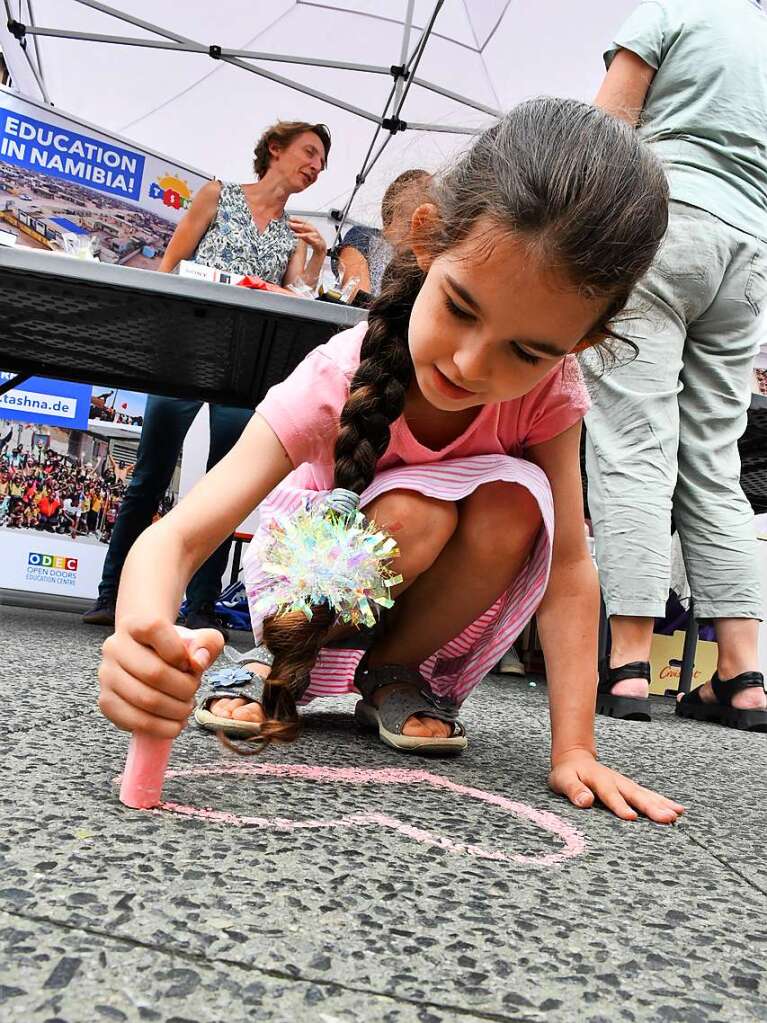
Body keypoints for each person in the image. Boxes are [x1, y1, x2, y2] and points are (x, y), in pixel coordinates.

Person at [97, 98, 687, 824]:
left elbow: (568, 567)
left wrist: (576, 748)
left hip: (414, 590)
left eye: (528, 351)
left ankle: (393, 669)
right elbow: (181, 534)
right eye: (461, 308)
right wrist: (140, 638)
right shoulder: (338, 371)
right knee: (417, 510)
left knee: (515, 501)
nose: (471, 364)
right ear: (426, 239)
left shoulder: (553, 395)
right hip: (305, 578)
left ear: (584, 341)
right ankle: (276, 658)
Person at [584, 0, 767, 729]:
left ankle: (628, 665)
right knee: (714, 461)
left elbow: (603, 134)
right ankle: (742, 674)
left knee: (633, 443)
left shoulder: (672, 10)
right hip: (748, 251)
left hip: (663, 222)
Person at [82, 120, 332, 635]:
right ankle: (113, 595)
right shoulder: (218, 193)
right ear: (275, 149)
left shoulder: (294, 232)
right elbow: (171, 266)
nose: (316, 166)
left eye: (323, 162)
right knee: (149, 476)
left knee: (226, 488)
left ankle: (200, 605)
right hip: (183, 353)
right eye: (309, 152)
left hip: (247, 368)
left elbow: (299, 298)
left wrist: (318, 256)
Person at [336, 169, 430, 300]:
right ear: (396, 195)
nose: (429, 191)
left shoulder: (425, 256)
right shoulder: (363, 235)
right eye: (420, 184)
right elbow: (356, 295)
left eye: (431, 187)